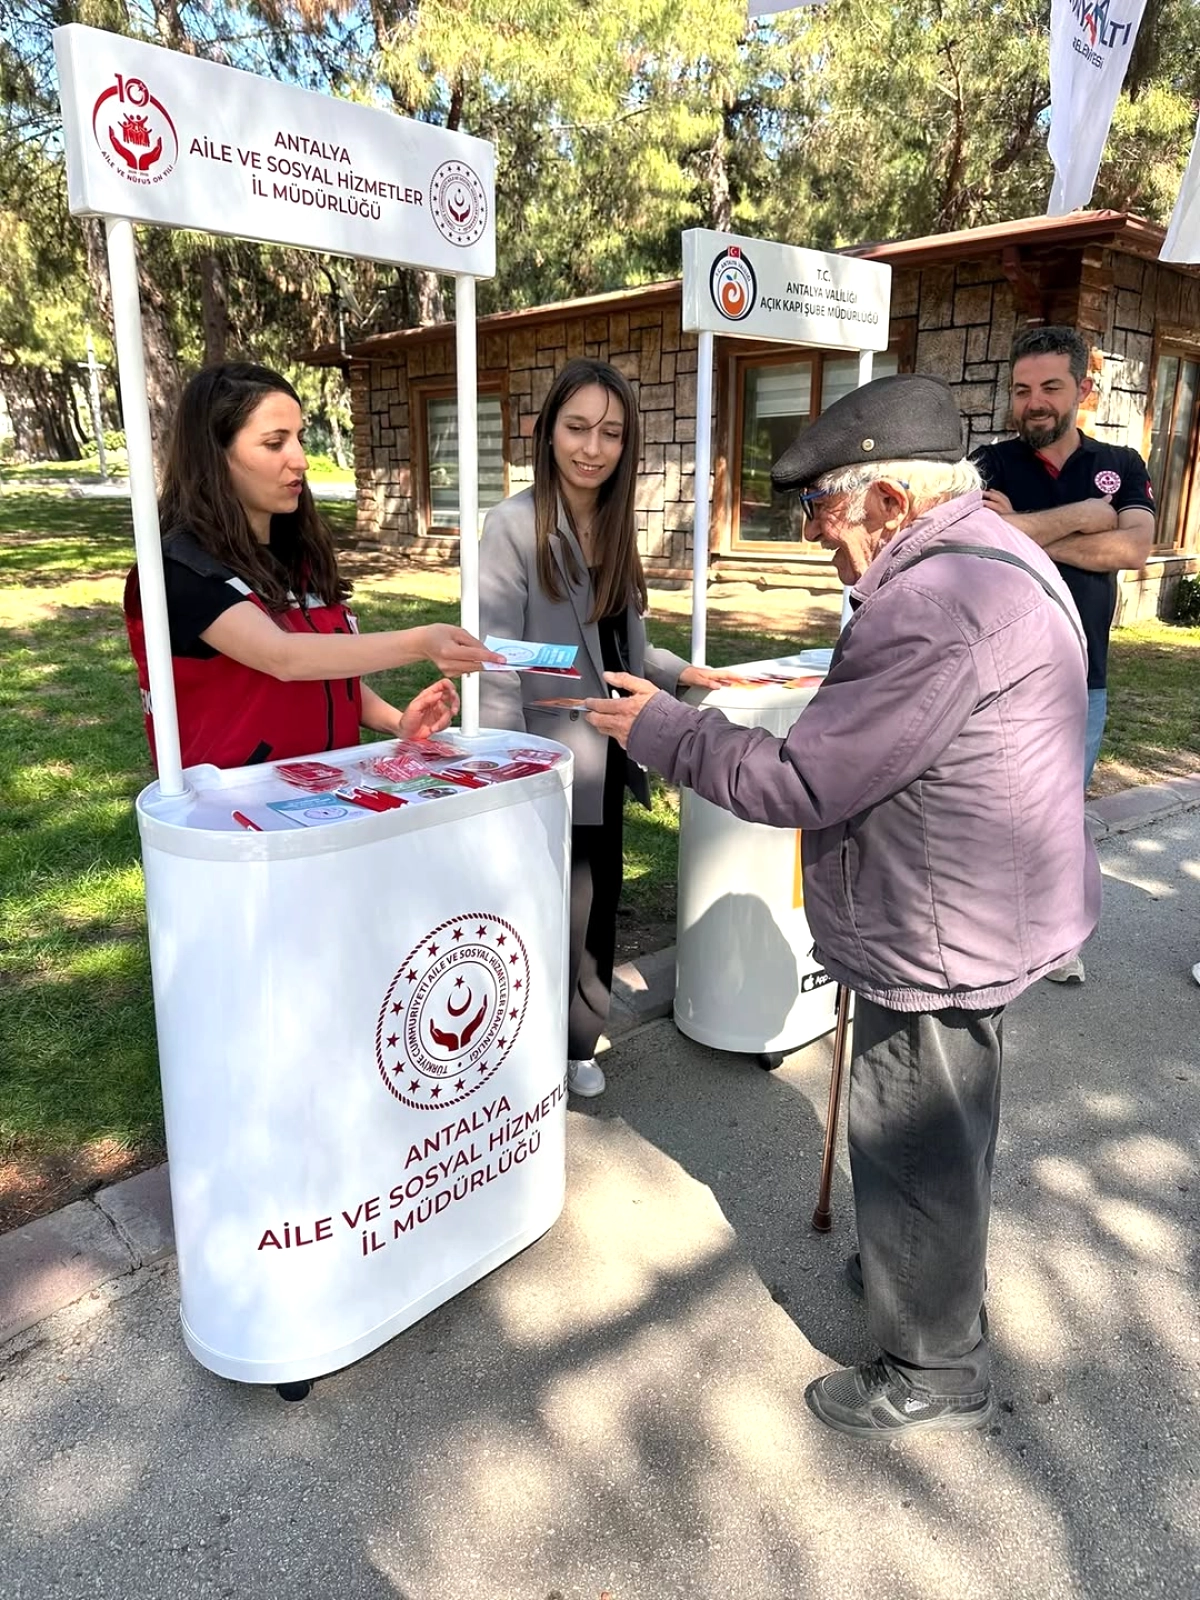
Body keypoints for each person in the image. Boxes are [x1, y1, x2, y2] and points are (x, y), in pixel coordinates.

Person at [583, 373, 1100, 1438]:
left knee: (911, 1135)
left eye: (829, 523)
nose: (826, 550)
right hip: (987, 909)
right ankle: (928, 1277)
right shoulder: (1000, 555)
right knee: (950, 1131)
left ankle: (936, 1365)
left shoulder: (932, 603)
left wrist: (666, 731)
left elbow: (804, 782)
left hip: (940, 922)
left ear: (893, 504)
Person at [478, 358, 731, 1099]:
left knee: (594, 909)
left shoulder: (617, 526)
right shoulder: (513, 525)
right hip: (541, 763)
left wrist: (685, 674)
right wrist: (506, 772)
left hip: (614, 749)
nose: (592, 447)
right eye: (578, 427)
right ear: (548, 430)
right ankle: (521, 1051)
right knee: (537, 914)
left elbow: (624, 648)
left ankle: (577, 1042)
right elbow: (498, 658)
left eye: (611, 433)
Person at [124, 362, 501, 771]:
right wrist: (420, 642)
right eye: (274, 443)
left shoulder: (296, 551)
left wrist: (397, 723)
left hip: (323, 800)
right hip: (236, 812)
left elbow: (325, 670)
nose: (301, 460)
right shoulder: (179, 570)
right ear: (216, 455)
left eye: (299, 438)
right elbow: (283, 657)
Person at [972, 326, 1155, 984]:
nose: (1033, 402)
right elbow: (974, 541)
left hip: (1082, 677)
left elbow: (1132, 550)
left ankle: (1057, 936)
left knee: (1060, 810)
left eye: (1050, 386)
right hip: (996, 671)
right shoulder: (986, 464)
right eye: (1021, 390)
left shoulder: (1122, 464)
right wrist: (1083, 514)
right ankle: (990, 932)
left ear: (1082, 388)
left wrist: (1019, 528)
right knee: (990, 805)